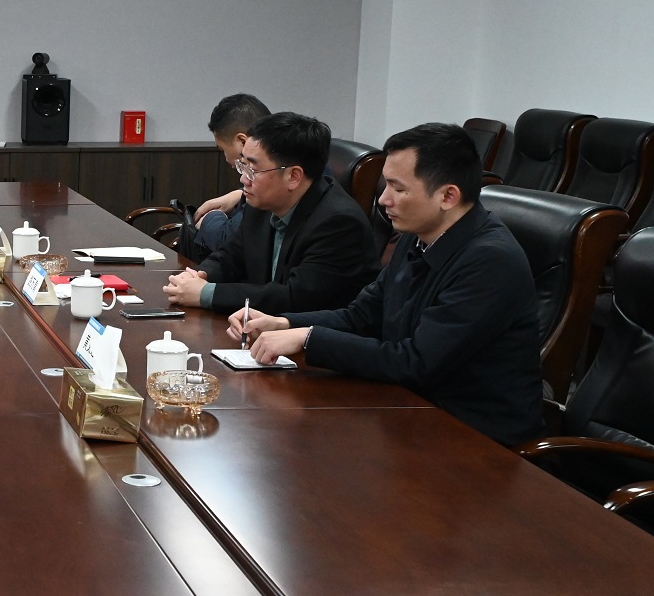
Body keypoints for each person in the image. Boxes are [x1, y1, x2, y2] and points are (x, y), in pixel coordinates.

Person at [231, 122, 544, 446]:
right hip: (409, 411)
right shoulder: (417, 236)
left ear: (448, 196)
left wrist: (309, 339)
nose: (383, 200)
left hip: (475, 438)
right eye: (385, 185)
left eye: (398, 189)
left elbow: (416, 362)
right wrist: (284, 323)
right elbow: (361, 316)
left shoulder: (491, 261)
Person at [163, 112, 377, 315]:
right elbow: (231, 256)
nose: (243, 179)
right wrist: (199, 276)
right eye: (243, 165)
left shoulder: (338, 223)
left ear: (293, 176)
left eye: (253, 170)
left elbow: (294, 298)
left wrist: (206, 293)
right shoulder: (262, 203)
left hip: (312, 336)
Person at [185, 93, 271, 256]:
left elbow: (228, 240)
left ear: (242, 142)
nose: (243, 178)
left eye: (222, 149)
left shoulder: (270, 183)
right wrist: (238, 194)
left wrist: (211, 217)